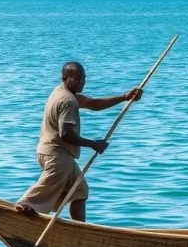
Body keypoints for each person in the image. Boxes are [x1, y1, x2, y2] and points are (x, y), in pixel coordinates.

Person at [15, 62, 142, 221]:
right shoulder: (67, 101)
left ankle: (80, 228)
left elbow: (94, 104)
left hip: (50, 151)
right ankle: (22, 205)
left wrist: (124, 97)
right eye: (76, 78)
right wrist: (93, 144)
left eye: (83, 78)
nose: (81, 82)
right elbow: (66, 135)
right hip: (57, 154)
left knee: (79, 190)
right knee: (46, 188)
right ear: (65, 78)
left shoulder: (63, 91)